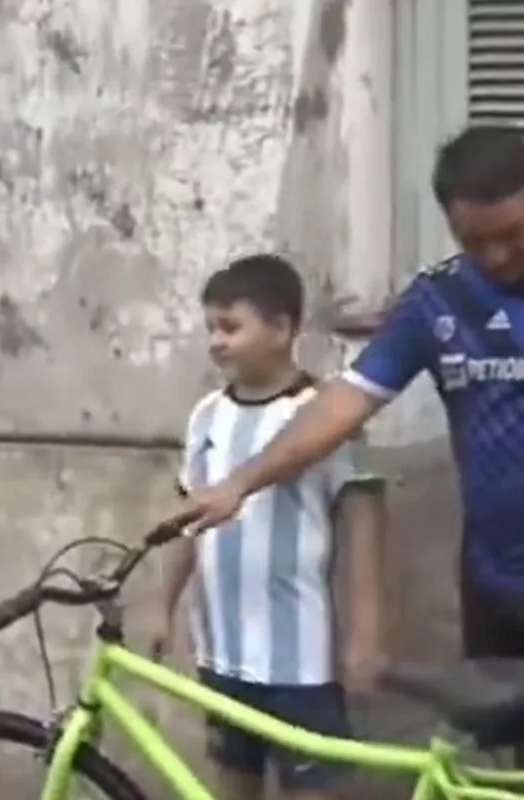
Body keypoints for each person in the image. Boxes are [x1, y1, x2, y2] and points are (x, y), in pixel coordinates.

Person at [183, 124, 524, 773]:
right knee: (521, 761)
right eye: (474, 241)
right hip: (493, 578)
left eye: (511, 234)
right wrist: (241, 482)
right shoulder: (437, 300)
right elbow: (346, 402)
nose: (496, 256)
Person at [153, 254, 387, 800]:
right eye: (211, 328)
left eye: (230, 327)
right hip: (222, 655)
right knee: (233, 782)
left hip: (300, 663)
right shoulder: (207, 416)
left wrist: (366, 635)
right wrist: (163, 607)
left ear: (281, 329)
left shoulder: (325, 414)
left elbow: (364, 525)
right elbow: (188, 521)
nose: (216, 342)